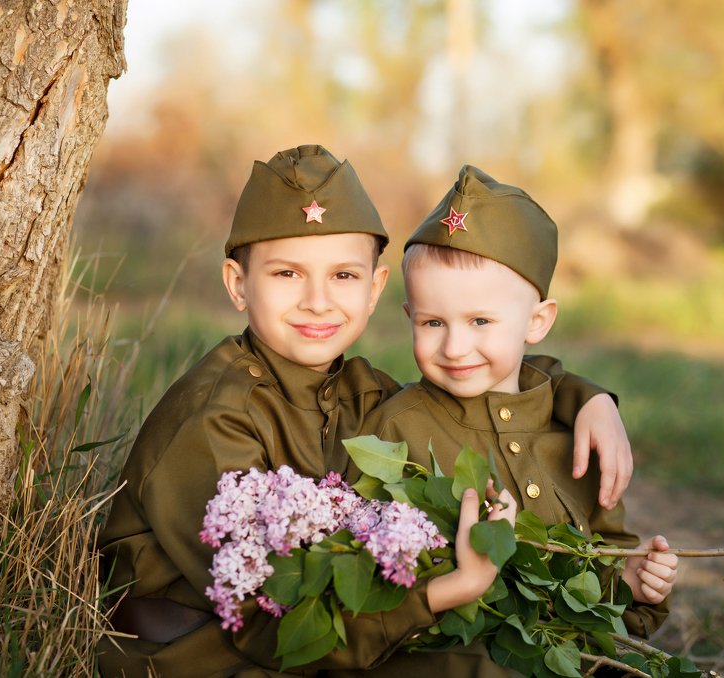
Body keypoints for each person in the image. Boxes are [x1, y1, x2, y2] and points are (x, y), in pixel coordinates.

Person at [97, 145, 633, 677]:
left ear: (375, 288)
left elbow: (482, 374)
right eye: (286, 274)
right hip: (216, 656)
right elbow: (269, 623)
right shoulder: (214, 418)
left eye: (344, 276)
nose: (318, 301)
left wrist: (585, 397)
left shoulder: (358, 387)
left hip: (339, 636)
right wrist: (449, 590)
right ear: (239, 285)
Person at [350, 165, 679, 677]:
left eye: (480, 321)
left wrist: (631, 585)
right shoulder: (396, 431)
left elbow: (602, 557)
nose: (455, 347)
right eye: (432, 322)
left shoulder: (575, 434)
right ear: (409, 314)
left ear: (538, 321)